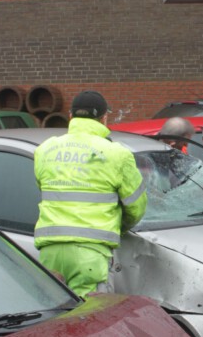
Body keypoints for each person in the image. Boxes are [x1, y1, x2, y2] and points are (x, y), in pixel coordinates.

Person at [33, 90, 147, 297]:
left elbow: (46, 191)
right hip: (90, 254)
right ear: (104, 118)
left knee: (53, 321)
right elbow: (136, 206)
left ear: (70, 116)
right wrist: (118, 228)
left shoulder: (44, 150)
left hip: (50, 252)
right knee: (88, 321)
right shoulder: (117, 154)